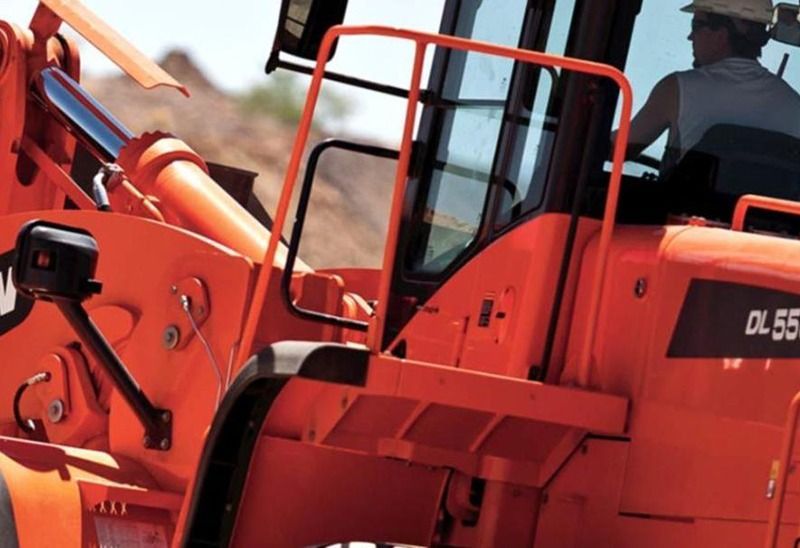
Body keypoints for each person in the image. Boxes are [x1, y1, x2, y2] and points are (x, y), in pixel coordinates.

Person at [625, 0, 800, 171]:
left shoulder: (678, 88)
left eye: (696, 26)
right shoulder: (794, 104)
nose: (690, 36)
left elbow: (620, 148)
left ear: (721, 35)